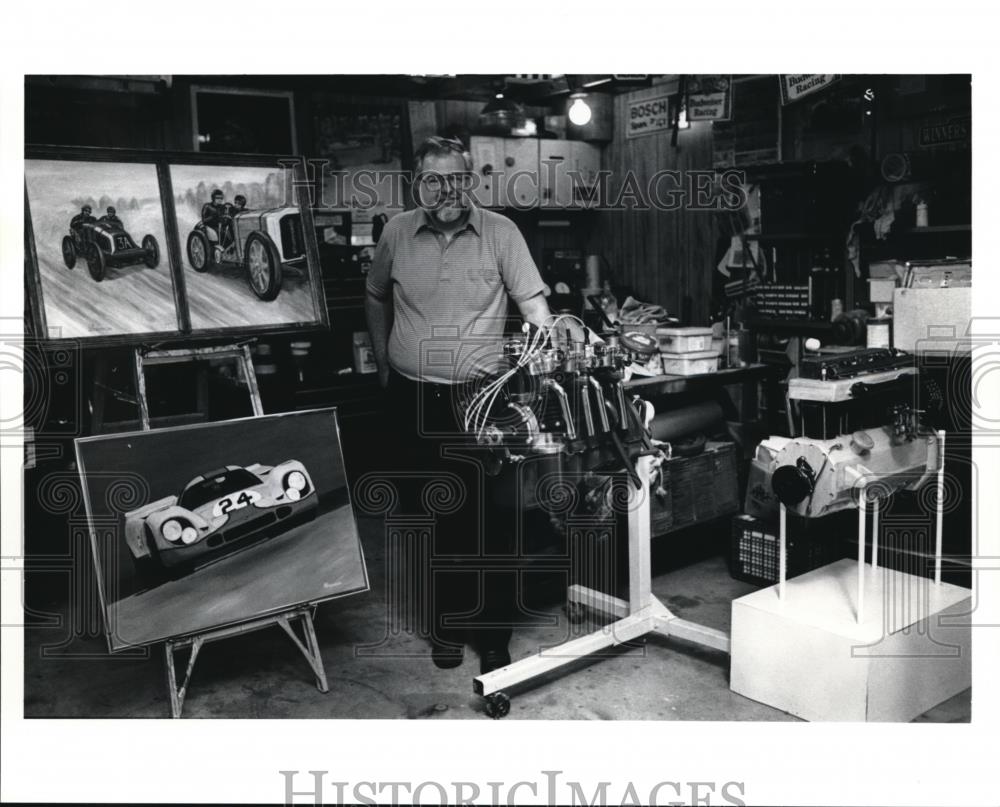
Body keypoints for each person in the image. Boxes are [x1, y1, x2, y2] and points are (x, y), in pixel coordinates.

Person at [365, 136, 553, 674]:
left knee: (488, 523)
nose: (446, 190)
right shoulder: (398, 232)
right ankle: (443, 627)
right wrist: (382, 361)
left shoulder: (501, 232)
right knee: (426, 516)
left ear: (472, 182)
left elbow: (535, 308)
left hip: (480, 401)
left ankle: (492, 637)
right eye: (433, 179)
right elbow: (375, 294)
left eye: (457, 179)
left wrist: (542, 359)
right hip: (410, 396)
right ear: (416, 184)